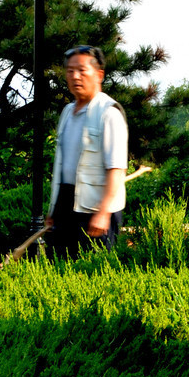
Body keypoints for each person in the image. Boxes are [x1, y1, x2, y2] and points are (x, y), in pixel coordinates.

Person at [45, 44, 129, 255]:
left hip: (95, 209)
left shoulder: (109, 113)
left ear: (99, 75)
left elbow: (116, 169)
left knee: (93, 268)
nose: (75, 76)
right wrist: (54, 210)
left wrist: (103, 212)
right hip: (66, 203)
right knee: (59, 265)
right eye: (70, 70)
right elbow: (62, 166)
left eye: (82, 70)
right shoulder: (67, 112)